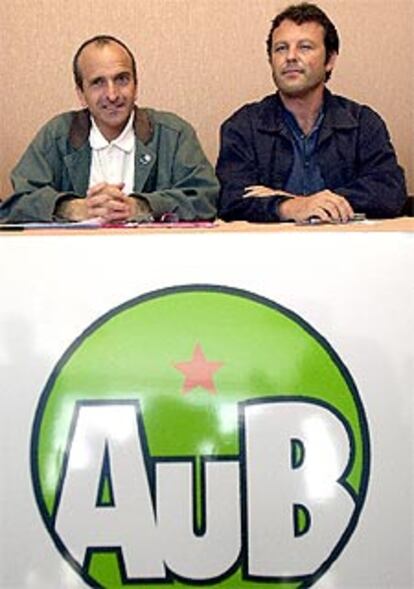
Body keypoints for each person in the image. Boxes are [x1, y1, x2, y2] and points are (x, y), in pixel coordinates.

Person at [216, 2, 407, 223]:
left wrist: (305, 202)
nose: (290, 57)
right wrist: (290, 207)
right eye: (281, 48)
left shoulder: (362, 122)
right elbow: (230, 200)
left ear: (330, 60)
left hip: (349, 250)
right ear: (271, 60)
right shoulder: (244, 125)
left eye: (305, 47)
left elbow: (389, 192)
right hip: (268, 252)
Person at [1, 35, 218, 223]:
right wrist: (74, 208)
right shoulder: (57, 135)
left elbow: (205, 198)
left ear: (136, 85)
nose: (112, 95)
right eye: (98, 83)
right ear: (81, 94)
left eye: (121, 79)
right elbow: (17, 203)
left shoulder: (174, 134)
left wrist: (139, 207)